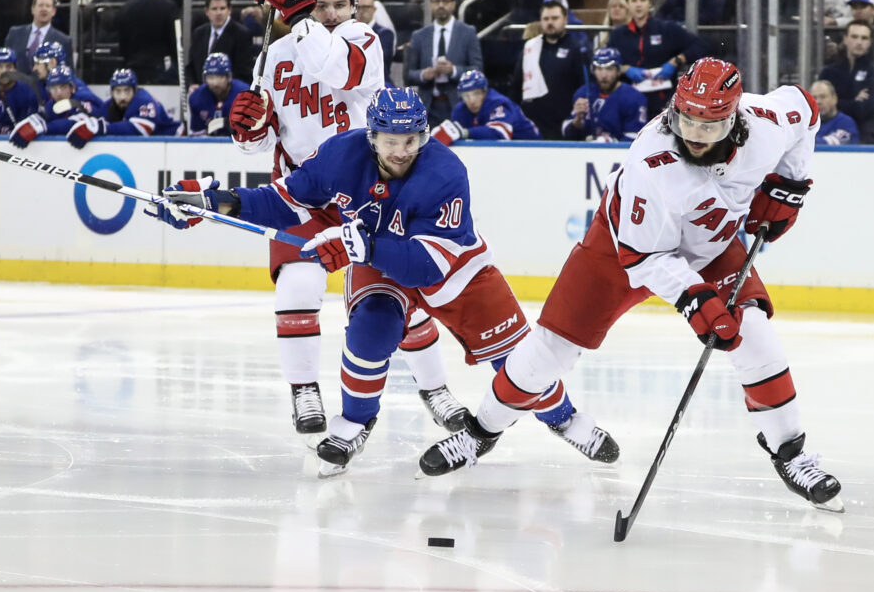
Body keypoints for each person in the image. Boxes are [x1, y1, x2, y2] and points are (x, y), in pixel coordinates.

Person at [418, 58, 845, 515]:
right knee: (549, 352)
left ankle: (791, 453)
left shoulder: (767, 123)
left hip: (713, 243)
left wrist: (790, 184)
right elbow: (645, 259)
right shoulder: (652, 161)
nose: (696, 135)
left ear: (736, 116)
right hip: (620, 249)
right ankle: (481, 433)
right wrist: (693, 299)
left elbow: (806, 111)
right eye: (688, 120)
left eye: (711, 125)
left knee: (754, 333)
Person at [152, 88, 616, 476]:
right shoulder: (341, 153)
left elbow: (424, 267)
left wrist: (358, 245)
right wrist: (219, 203)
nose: (400, 151)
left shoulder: (446, 173)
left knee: (518, 364)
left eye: (410, 139)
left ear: (423, 136)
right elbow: (286, 201)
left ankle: (564, 418)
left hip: (453, 270)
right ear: (371, 135)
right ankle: (354, 423)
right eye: (390, 139)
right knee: (370, 329)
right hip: (376, 256)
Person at [225, 0, 470, 436]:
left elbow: (335, 68)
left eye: (340, 5)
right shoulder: (275, 55)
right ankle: (304, 391)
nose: (333, 15)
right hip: (302, 191)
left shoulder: (365, 41)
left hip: (363, 191)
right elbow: (260, 140)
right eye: (322, 5)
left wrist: (300, 16)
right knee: (296, 285)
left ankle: (435, 387)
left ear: (354, 7)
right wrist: (247, 129)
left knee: (400, 300)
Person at [608, 0, 710, 119]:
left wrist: (677, 60)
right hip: (628, 102)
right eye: (634, 1)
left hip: (663, 101)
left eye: (642, 0)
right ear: (627, 4)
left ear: (649, 3)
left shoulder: (667, 29)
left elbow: (701, 45)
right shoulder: (618, 35)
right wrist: (624, 68)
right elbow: (607, 63)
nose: (638, 5)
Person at [508, 0, 589, 141]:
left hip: (563, 128)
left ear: (565, 19)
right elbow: (516, 86)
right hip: (531, 127)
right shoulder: (530, 48)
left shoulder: (576, 50)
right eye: (546, 19)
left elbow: (583, 87)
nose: (550, 22)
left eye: (555, 18)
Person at [405, 0, 484, 126]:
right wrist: (424, 74)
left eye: (445, 1)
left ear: (453, 4)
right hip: (428, 107)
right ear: (430, 4)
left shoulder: (468, 33)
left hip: (459, 104)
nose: (441, 5)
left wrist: (453, 70)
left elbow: (477, 70)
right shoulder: (419, 36)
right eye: (436, 1)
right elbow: (409, 75)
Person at [66, 68, 179, 148]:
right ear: (112, 92)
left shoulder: (144, 100)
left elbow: (140, 129)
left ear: (134, 90)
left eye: (127, 90)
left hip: (177, 142)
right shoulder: (111, 104)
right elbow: (98, 117)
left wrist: (103, 128)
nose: (123, 97)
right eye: (118, 91)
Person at [430, 69, 540, 144]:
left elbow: (501, 133)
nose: (471, 100)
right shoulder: (460, 110)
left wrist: (465, 132)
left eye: (476, 93)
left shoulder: (498, 103)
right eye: (466, 96)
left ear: (485, 92)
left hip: (533, 148)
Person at [8, 64, 104, 149]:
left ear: (73, 88)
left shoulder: (83, 97)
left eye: (63, 87)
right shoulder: (51, 104)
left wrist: (45, 127)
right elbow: (44, 117)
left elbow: (76, 124)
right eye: (53, 88)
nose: (58, 93)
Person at [818, 20, 874, 143]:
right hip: (830, 129)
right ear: (845, 39)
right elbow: (820, 105)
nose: (859, 42)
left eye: (864, 38)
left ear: (870, 42)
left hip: (865, 134)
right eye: (854, 37)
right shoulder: (829, 72)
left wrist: (835, 102)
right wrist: (853, 101)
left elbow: (865, 109)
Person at [562, 48, 647, 142]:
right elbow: (566, 133)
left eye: (609, 69)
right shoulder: (583, 93)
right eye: (599, 69)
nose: (603, 75)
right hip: (586, 153)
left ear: (619, 71)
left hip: (619, 155)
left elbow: (637, 138)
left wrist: (609, 142)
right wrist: (577, 121)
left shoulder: (634, 97)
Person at [117, 0, 178, 84]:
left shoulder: (127, 7)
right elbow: (173, 41)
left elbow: (122, 40)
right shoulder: (169, 7)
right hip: (160, 69)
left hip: (133, 66)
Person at [186, 0, 255, 87]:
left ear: (229, 10)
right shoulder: (199, 33)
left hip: (229, 95)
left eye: (222, 8)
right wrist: (192, 84)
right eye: (214, 9)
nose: (218, 13)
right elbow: (192, 66)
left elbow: (243, 72)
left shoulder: (242, 34)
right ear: (206, 11)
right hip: (203, 94)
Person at [4, 0, 72, 75]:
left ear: (54, 11)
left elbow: (68, 73)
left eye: (48, 6)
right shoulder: (14, 33)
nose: (44, 9)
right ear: (32, 10)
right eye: (40, 5)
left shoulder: (63, 41)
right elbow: (5, 63)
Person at [30, 41, 105, 112]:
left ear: (52, 62)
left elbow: (100, 112)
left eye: (38, 63)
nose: (34, 68)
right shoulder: (40, 85)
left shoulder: (76, 87)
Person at [188, 52, 249, 137]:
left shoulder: (245, 95)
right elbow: (197, 135)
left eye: (220, 77)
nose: (215, 83)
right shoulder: (197, 98)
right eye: (210, 77)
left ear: (228, 77)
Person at [356, 0, 395, 81]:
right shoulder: (347, 33)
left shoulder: (385, 34)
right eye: (358, 7)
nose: (361, 11)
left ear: (374, 9)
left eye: (366, 7)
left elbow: (379, 59)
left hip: (380, 82)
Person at [811, 80, 859, 146]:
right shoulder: (808, 124)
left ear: (834, 98)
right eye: (814, 98)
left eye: (823, 97)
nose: (818, 102)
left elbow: (830, 144)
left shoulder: (846, 123)